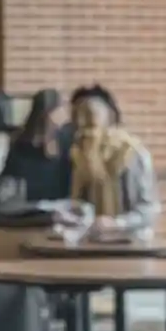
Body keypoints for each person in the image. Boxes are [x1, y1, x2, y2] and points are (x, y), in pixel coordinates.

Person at [67, 84, 159, 230]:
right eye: (78, 118)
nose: (82, 125)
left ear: (109, 117)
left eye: (90, 118)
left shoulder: (130, 152)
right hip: (93, 238)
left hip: (131, 239)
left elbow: (148, 209)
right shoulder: (79, 156)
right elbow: (77, 204)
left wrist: (116, 224)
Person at [0, 87, 74, 203]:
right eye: (61, 108)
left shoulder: (65, 140)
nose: (64, 114)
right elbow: (9, 178)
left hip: (57, 205)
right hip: (27, 206)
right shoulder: (21, 144)